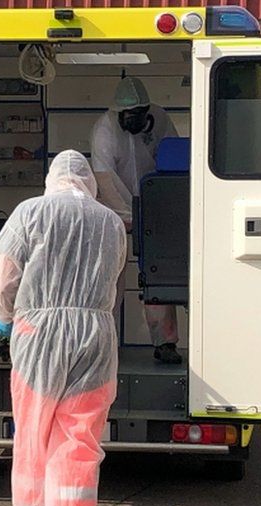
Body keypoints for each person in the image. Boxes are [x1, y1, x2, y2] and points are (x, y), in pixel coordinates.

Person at [0, 150, 126, 506]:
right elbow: (115, 272)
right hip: (95, 335)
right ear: (89, 182)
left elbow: (1, 276)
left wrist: (5, 316)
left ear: (51, 179)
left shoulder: (31, 212)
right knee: (78, 444)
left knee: (33, 438)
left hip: (39, 333)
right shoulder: (111, 221)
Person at [90, 76, 182, 364]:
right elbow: (105, 179)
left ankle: (165, 342)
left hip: (155, 205)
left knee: (157, 274)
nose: (134, 121)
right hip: (114, 211)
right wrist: (129, 215)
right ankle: (104, 343)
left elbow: (176, 157)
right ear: (118, 114)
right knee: (110, 277)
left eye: (139, 115)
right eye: (128, 117)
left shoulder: (160, 119)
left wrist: (156, 208)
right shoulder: (104, 130)